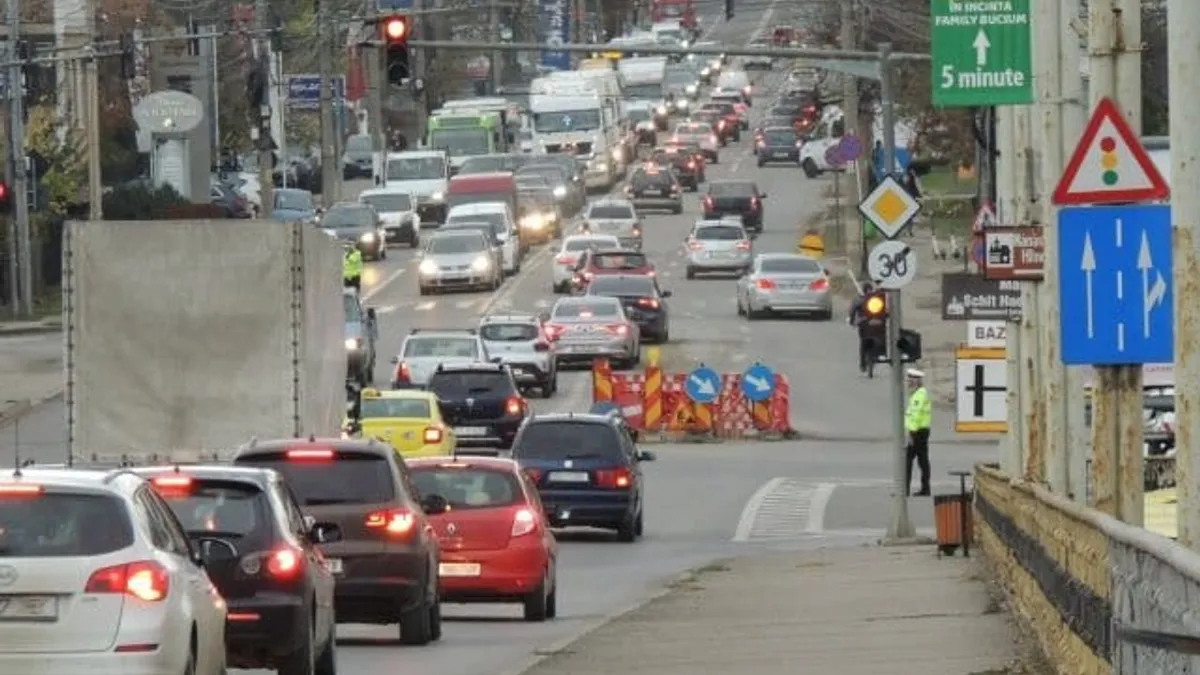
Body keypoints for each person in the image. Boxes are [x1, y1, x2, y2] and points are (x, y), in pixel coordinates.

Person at [904, 368, 933, 496]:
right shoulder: (919, 393)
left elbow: (915, 415)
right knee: (923, 460)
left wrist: (911, 433)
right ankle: (925, 488)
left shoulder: (919, 395)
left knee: (908, 460)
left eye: (911, 379)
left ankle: (904, 490)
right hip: (922, 431)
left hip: (918, 432)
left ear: (917, 381)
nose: (908, 382)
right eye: (908, 379)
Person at [847, 282, 877, 372]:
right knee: (865, 342)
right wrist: (852, 320)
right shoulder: (872, 299)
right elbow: (853, 311)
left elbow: (852, 311)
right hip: (866, 324)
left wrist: (852, 321)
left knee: (866, 343)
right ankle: (863, 363)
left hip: (869, 323)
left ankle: (864, 363)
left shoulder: (860, 299)